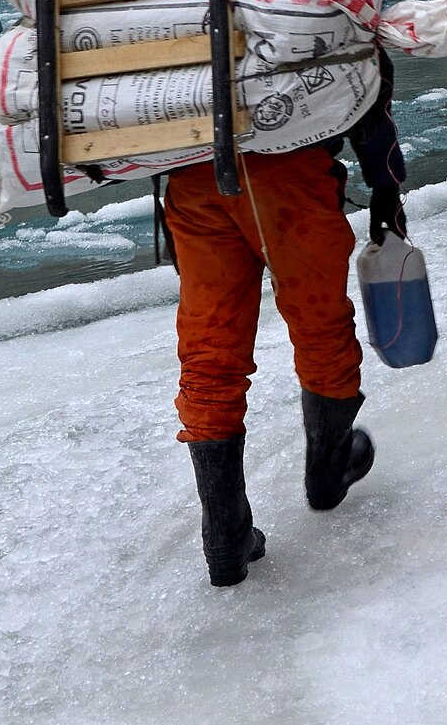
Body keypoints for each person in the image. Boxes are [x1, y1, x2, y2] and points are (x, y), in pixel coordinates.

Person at [164, 55, 407, 587]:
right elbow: (366, 87)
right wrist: (387, 193)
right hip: (290, 176)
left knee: (209, 355)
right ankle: (327, 475)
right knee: (320, 328)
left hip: (194, 180)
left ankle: (224, 539)